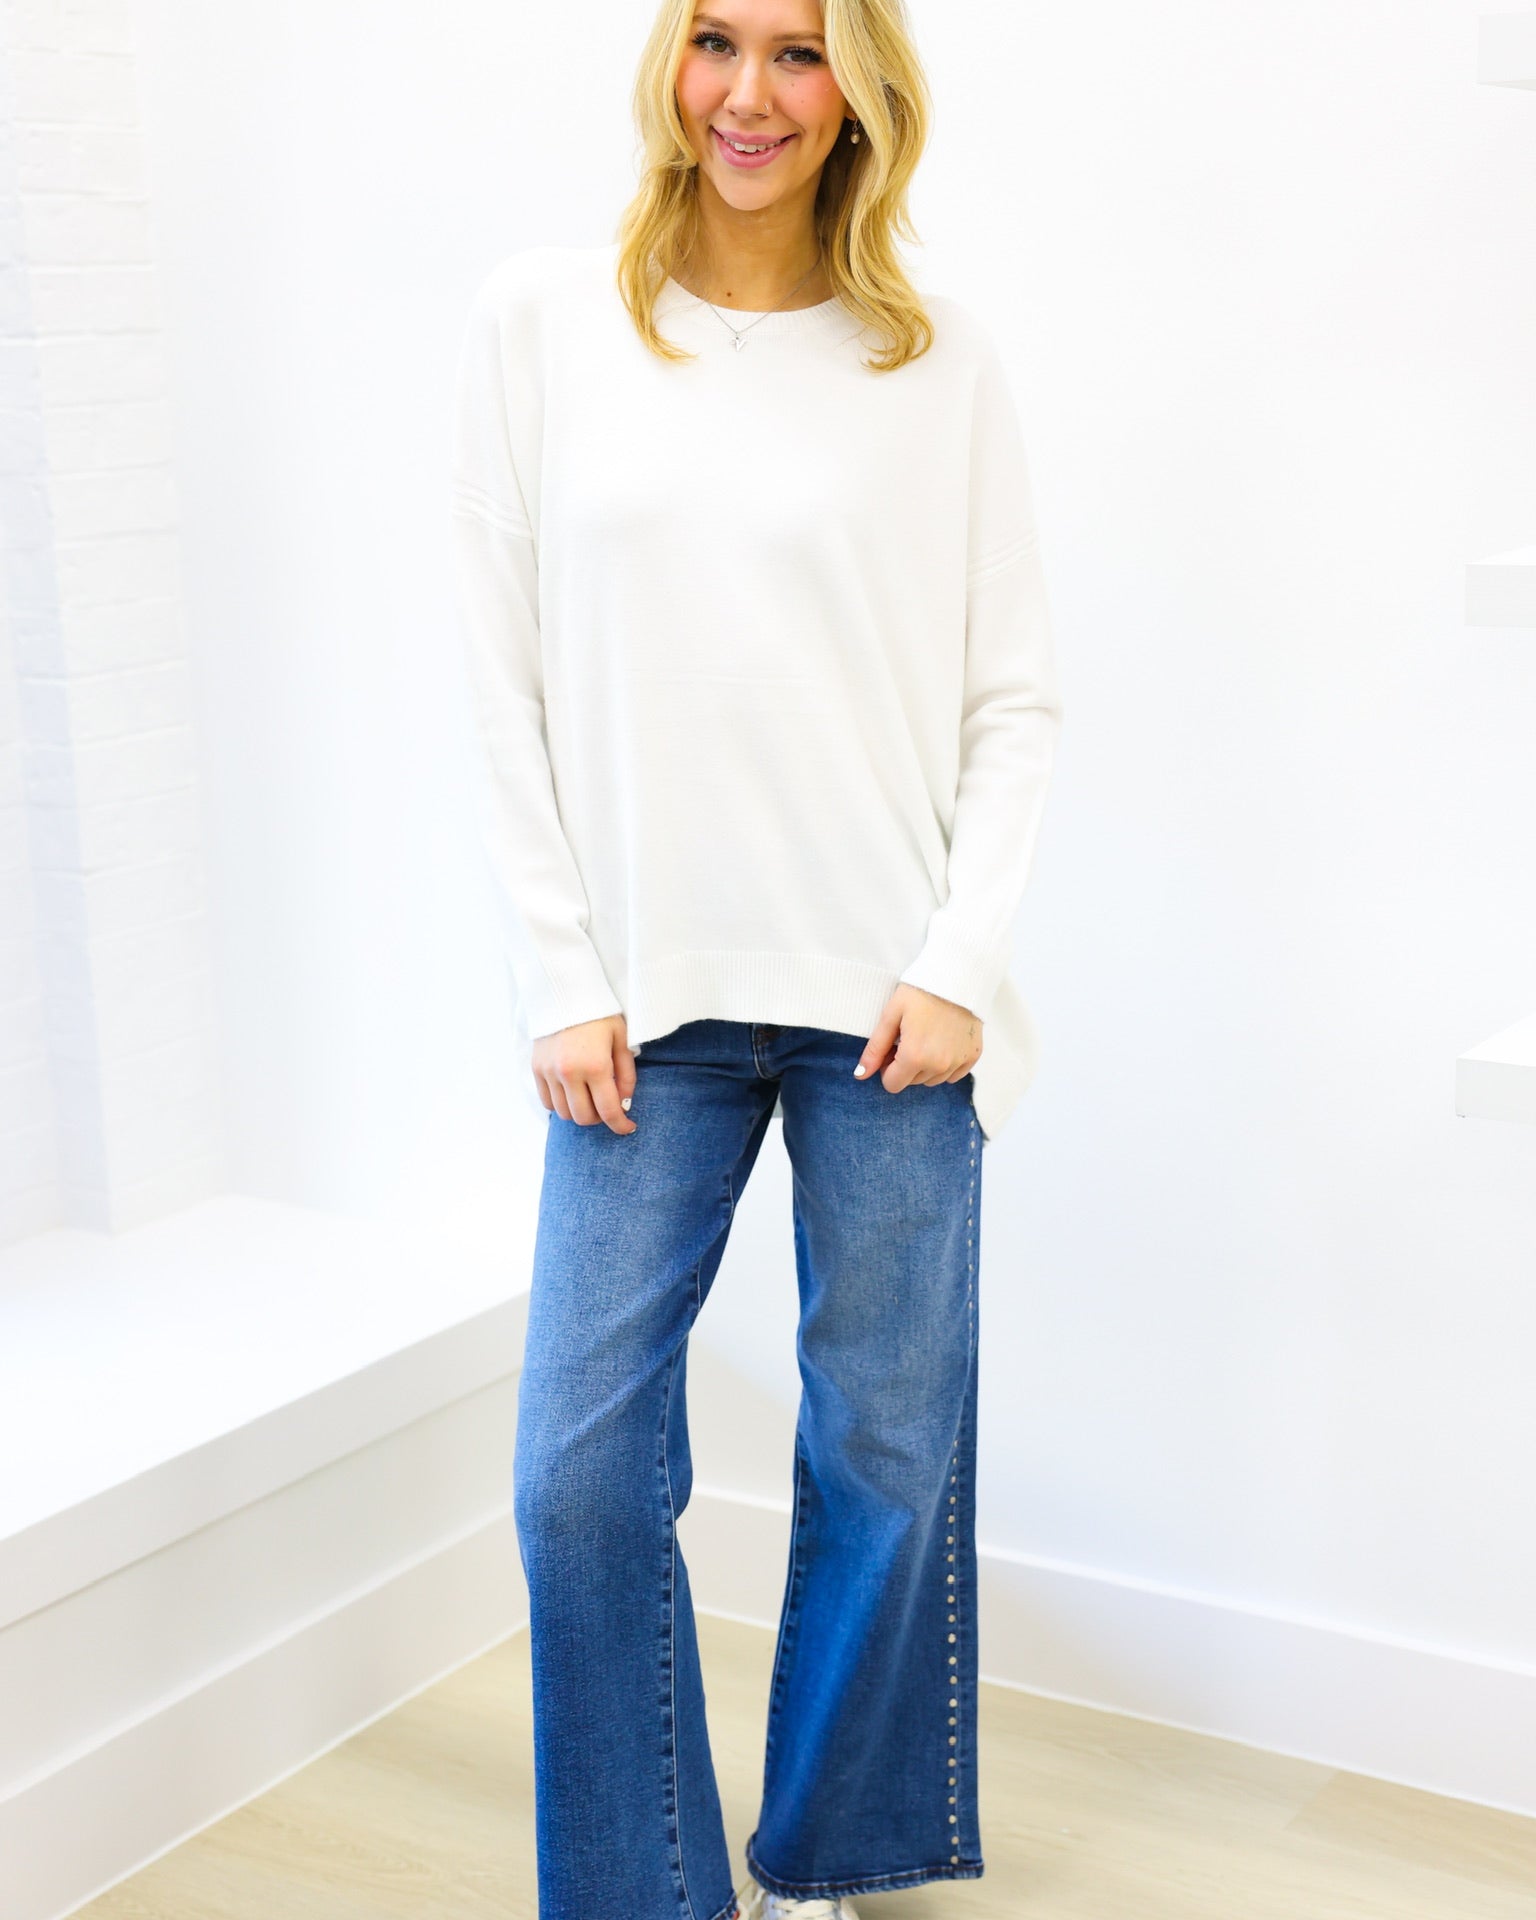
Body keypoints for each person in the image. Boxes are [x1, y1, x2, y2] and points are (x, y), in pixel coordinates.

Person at [449, 0, 1064, 1914]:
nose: (750, 93)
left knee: (883, 1452)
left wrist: (961, 954)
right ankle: (645, 1889)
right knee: (575, 1473)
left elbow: (1016, 699)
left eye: (800, 53)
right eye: (718, 39)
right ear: (669, 64)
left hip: (894, 1002)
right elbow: (502, 680)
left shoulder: (936, 359)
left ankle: (824, 1853)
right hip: (644, 1008)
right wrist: (560, 968)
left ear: (863, 86)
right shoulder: (546, 325)